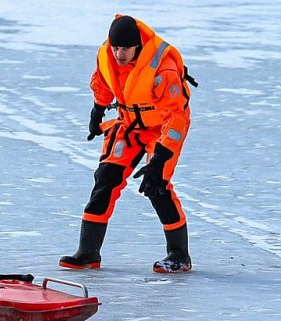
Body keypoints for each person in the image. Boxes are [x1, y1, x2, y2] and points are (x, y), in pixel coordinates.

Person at [60, 14, 197, 273]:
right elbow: (102, 81)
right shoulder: (106, 55)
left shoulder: (162, 67)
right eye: (116, 47)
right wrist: (97, 111)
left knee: (158, 187)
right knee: (106, 178)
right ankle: (88, 251)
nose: (119, 53)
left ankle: (179, 255)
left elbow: (175, 118)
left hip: (164, 129)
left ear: (138, 46)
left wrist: (159, 160)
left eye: (125, 48)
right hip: (129, 125)